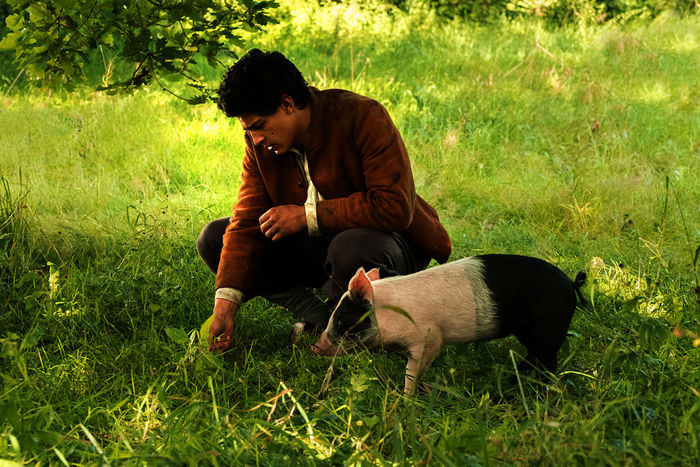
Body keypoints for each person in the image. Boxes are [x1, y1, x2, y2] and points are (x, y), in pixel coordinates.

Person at [197, 48, 451, 352]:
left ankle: (373, 325)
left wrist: (307, 216)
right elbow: (247, 221)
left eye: (259, 126)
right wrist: (225, 306)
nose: (256, 140)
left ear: (287, 104)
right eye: (248, 131)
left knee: (351, 247)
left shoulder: (363, 115)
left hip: (387, 246)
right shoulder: (260, 146)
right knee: (215, 238)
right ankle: (321, 316)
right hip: (323, 249)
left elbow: (395, 208)